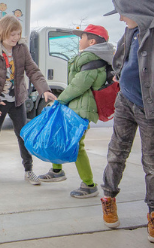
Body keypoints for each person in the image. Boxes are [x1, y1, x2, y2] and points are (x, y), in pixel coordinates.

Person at [100, 0, 154, 244]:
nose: (120, 17)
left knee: (153, 164)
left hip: (152, 107)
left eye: (123, 12)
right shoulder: (130, 32)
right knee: (117, 152)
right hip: (125, 102)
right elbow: (121, 58)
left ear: (139, 9)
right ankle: (108, 197)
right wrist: (118, 77)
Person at [0, 15, 57, 185]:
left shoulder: (21, 50)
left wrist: (44, 90)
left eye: (18, 34)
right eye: (12, 34)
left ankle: (29, 170)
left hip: (17, 100)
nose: (16, 38)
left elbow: (33, 70)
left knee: (23, 136)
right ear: (2, 33)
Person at [38, 25, 114, 198]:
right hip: (77, 105)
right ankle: (57, 170)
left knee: (77, 145)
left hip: (83, 107)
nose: (80, 40)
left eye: (83, 37)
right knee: (58, 135)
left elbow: (79, 85)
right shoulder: (91, 57)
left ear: (92, 41)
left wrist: (60, 101)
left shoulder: (92, 59)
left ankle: (89, 185)